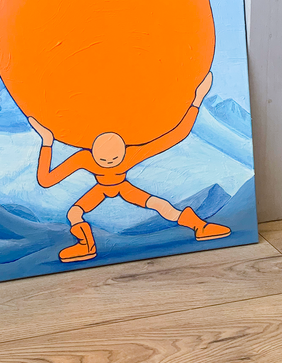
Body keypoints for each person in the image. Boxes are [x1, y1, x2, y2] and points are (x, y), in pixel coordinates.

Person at [30, 72, 230, 263]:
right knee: (74, 213)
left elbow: (177, 134)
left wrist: (197, 100)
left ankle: (200, 227)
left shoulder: (129, 154)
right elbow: (46, 180)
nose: (109, 163)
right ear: (94, 151)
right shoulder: (86, 158)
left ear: (123, 150)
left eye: (115, 159)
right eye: (103, 160)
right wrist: (47, 143)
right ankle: (86, 245)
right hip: (101, 189)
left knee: (160, 205)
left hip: (123, 186)